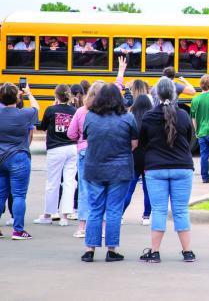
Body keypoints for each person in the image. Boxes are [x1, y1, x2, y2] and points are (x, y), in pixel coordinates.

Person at [138, 78, 196, 263]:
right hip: (182, 167)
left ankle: (155, 252)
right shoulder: (184, 115)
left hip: (155, 169)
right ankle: (188, 252)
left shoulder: (148, 116)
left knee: (159, 210)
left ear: (156, 94)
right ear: (174, 93)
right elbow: (189, 140)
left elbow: (143, 143)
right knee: (181, 211)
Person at [81, 83, 138, 263]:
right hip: (120, 169)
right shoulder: (128, 118)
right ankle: (111, 250)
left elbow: (86, 137)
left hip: (94, 167)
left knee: (95, 209)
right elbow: (134, 144)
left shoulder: (90, 117)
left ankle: (89, 249)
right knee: (114, 210)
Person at [33, 85, 78, 227]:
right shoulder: (74, 111)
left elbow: (42, 126)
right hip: (72, 148)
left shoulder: (51, 110)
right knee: (70, 182)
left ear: (56, 96)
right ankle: (65, 216)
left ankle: (49, 214)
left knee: (53, 181)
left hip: (55, 149)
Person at [0, 82, 39, 240]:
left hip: (1, 157)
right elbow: (37, 108)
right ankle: (18, 230)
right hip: (19, 157)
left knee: (1, 195)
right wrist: (28, 93)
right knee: (18, 195)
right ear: (17, 97)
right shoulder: (25, 114)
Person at [67, 81, 105, 238]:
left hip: (84, 151)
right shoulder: (108, 112)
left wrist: (80, 139)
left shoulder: (82, 111)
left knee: (84, 189)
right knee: (104, 189)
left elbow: (71, 133)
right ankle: (103, 228)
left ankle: (82, 227)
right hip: (103, 152)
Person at [122, 95, 152, 226]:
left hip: (133, 158)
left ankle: (120, 214)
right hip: (148, 160)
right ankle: (146, 216)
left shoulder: (130, 118)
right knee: (148, 190)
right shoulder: (151, 119)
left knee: (129, 189)